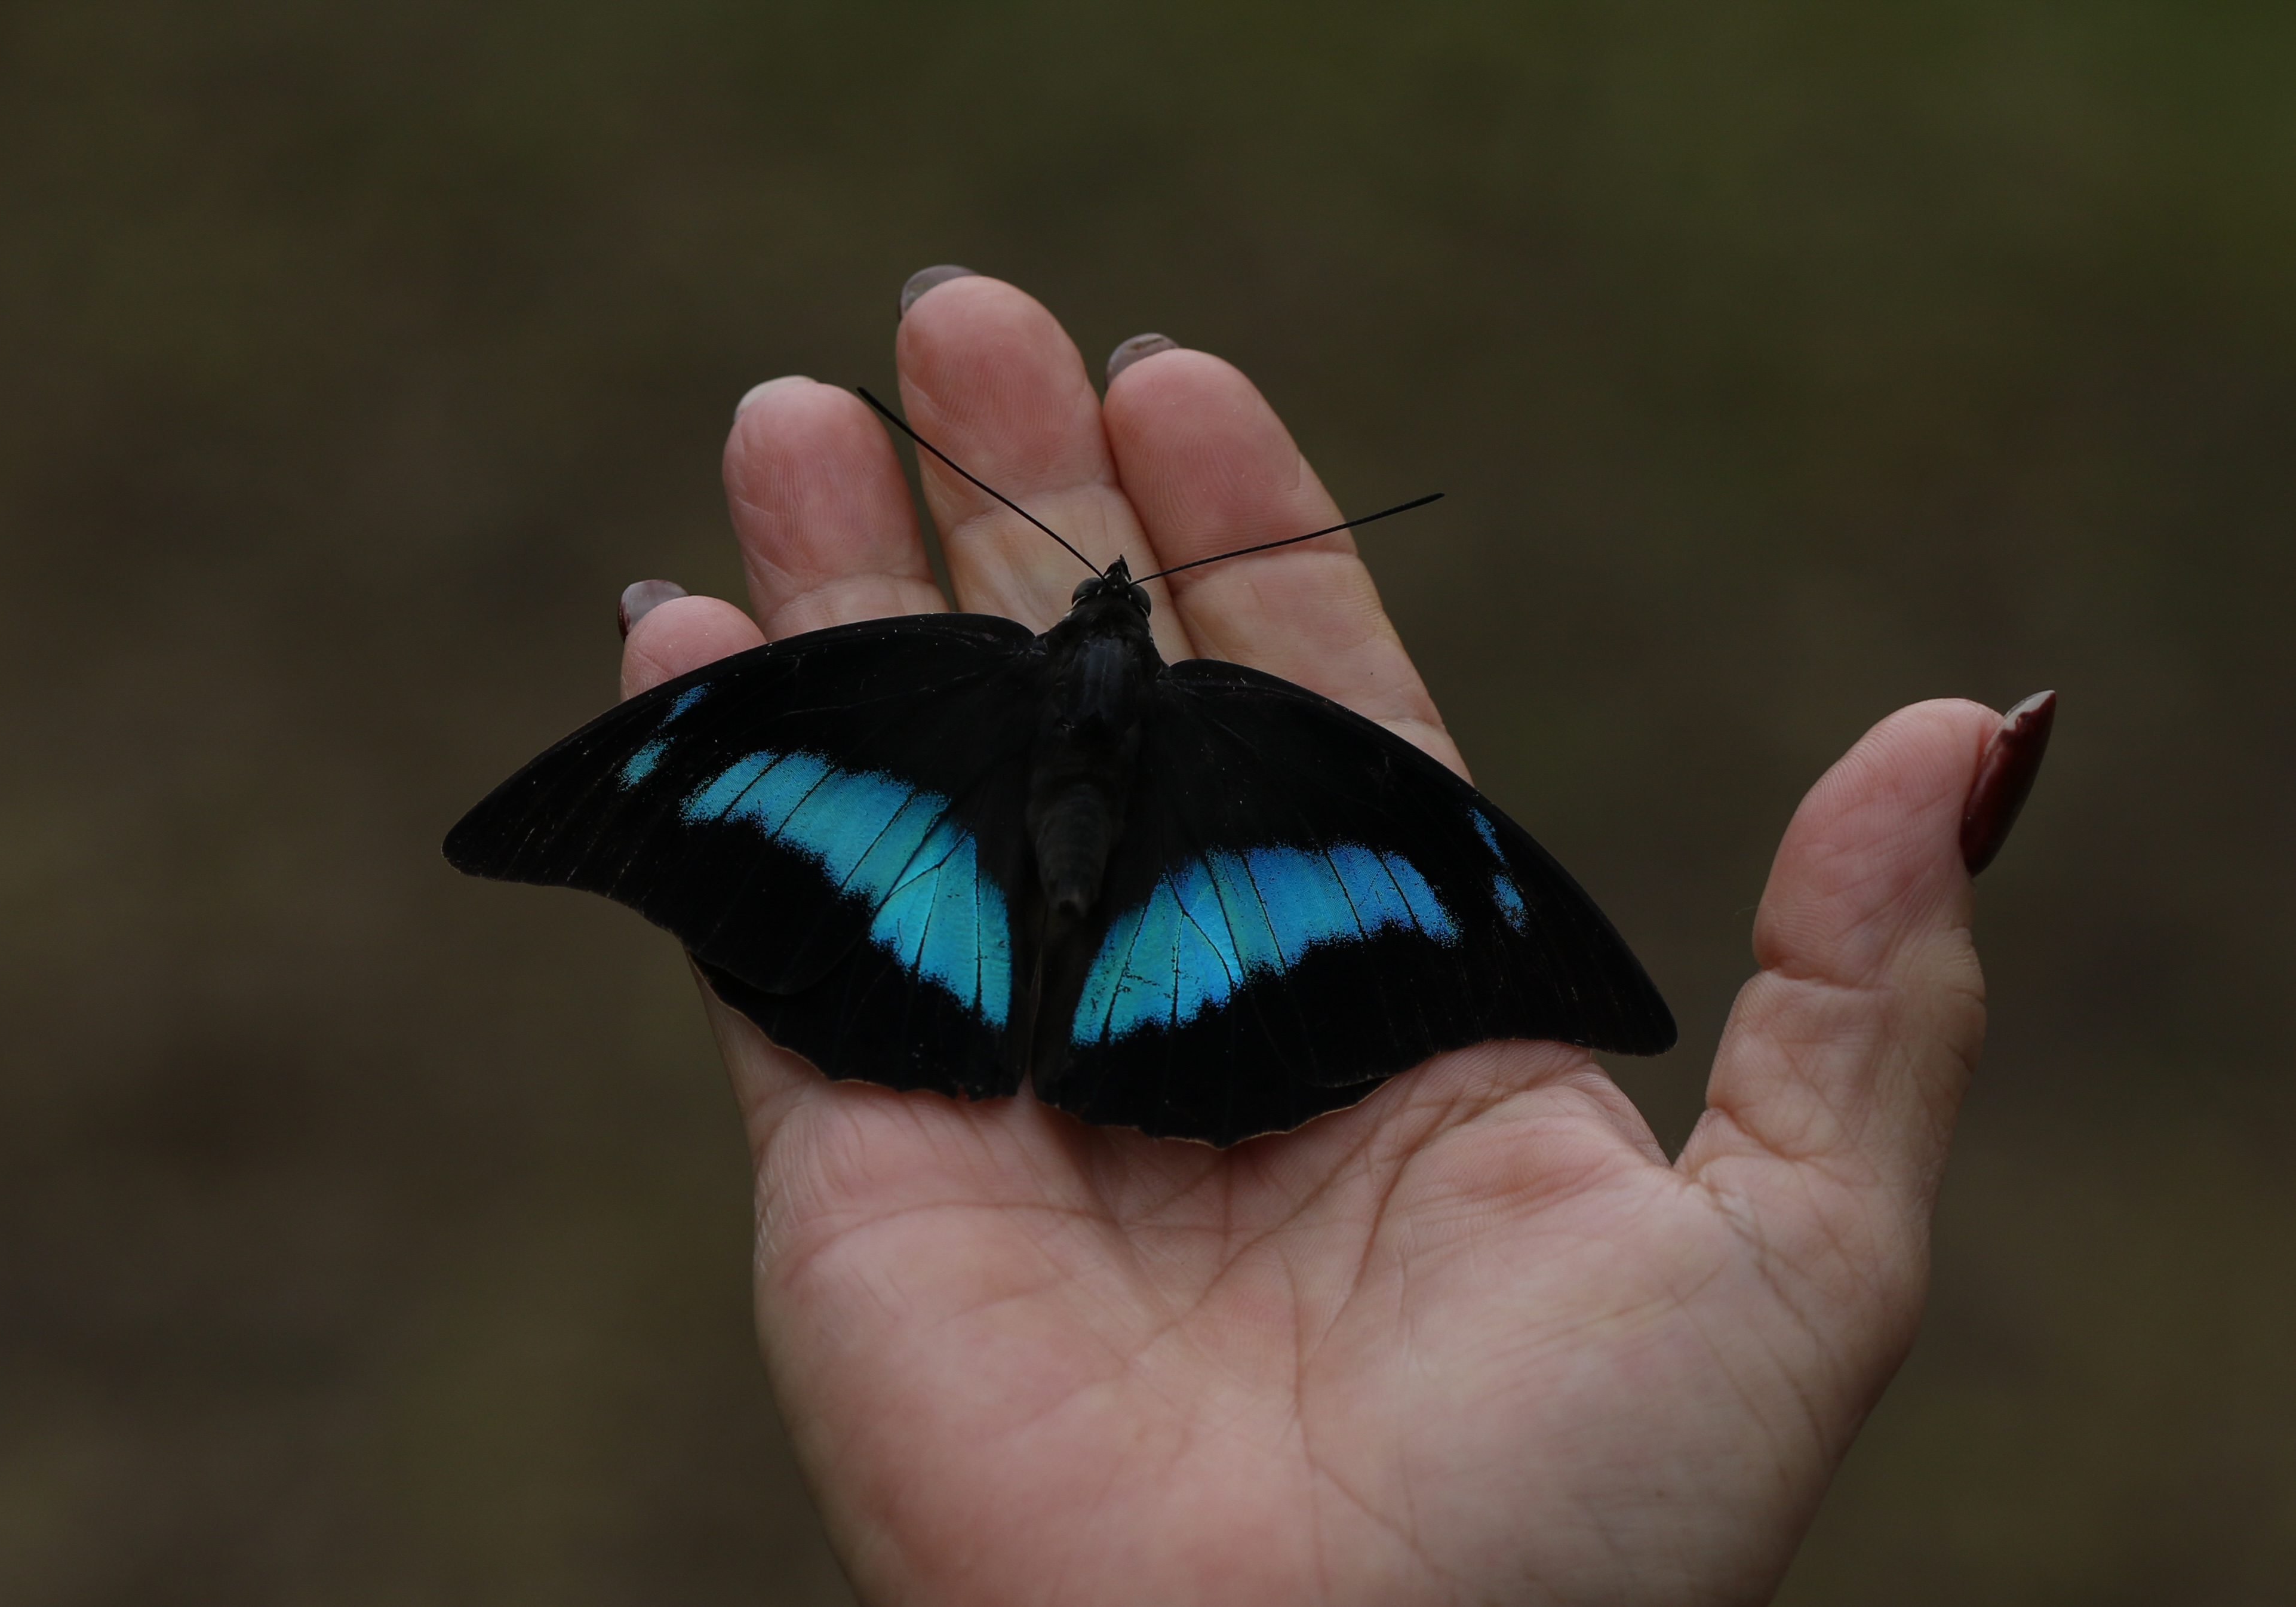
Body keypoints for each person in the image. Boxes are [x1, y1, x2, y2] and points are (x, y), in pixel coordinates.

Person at [616, 269, 2047, 1605]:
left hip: (916, 937)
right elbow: (1461, 892)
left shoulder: (911, 682)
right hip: (1178, 981)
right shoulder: (1293, 746)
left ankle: (992, 990)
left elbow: (729, 769)